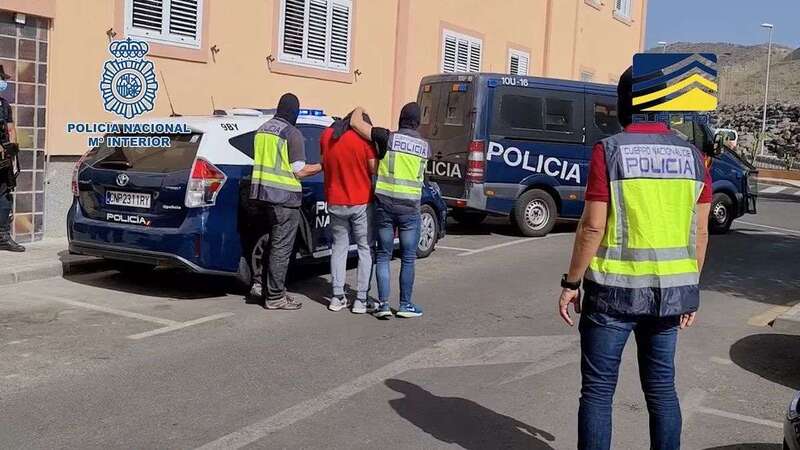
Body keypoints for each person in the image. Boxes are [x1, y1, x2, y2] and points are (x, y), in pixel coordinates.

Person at [557, 67, 712, 450]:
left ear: (622, 103)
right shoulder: (694, 158)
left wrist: (571, 283)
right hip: (669, 297)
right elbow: (700, 232)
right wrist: (689, 290)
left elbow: (592, 227)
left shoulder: (609, 151)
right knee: (662, 391)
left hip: (611, 295)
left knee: (597, 392)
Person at [350, 103, 429, 319]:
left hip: (385, 206)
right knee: (408, 257)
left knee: (383, 255)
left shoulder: (387, 137)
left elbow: (355, 123)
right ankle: (405, 305)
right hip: (410, 209)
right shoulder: (425, 147)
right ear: (417, 122)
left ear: (400, 119)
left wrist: (360, 108)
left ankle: (383, 305)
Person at [249, 93, 322, 310]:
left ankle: (261, 286)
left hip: (262, 196)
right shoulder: (292, 133)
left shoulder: (262, 129)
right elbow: (299, 171)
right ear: (294, 112)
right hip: (284, 198)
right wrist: (323, 165)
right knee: (281, 249)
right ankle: (275, 297)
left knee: (269, 245)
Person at [321, 111, 378, 313]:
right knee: (364, 248)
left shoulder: (327, 135)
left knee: (339, 248)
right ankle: (361, 300)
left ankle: (337, 296)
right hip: (361, 201)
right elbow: (374, 168)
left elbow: (324, 162)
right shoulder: (363, 140)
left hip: (335, 200)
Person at [0, 65, 22, 253]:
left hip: (4, 160)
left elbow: (10, 128)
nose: (3, 82)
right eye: (2, 79)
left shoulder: (4, 105)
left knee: (5, 195)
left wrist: (13, 148)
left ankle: (2, 236)